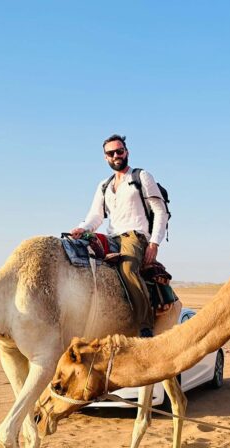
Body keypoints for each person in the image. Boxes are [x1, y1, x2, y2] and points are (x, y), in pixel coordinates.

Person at [70, 134, 168, 337]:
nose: (116, 155)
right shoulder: (104, 186)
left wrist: (154, 243)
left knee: (128, 269)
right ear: (105, 157)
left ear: (127, 152)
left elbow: (160, 211)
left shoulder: (141, 177)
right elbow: (95, 216)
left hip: (134, 236)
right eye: (111, 153)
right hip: (111, 236)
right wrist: (82, 228)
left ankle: (145, 326)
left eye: (119, 151)